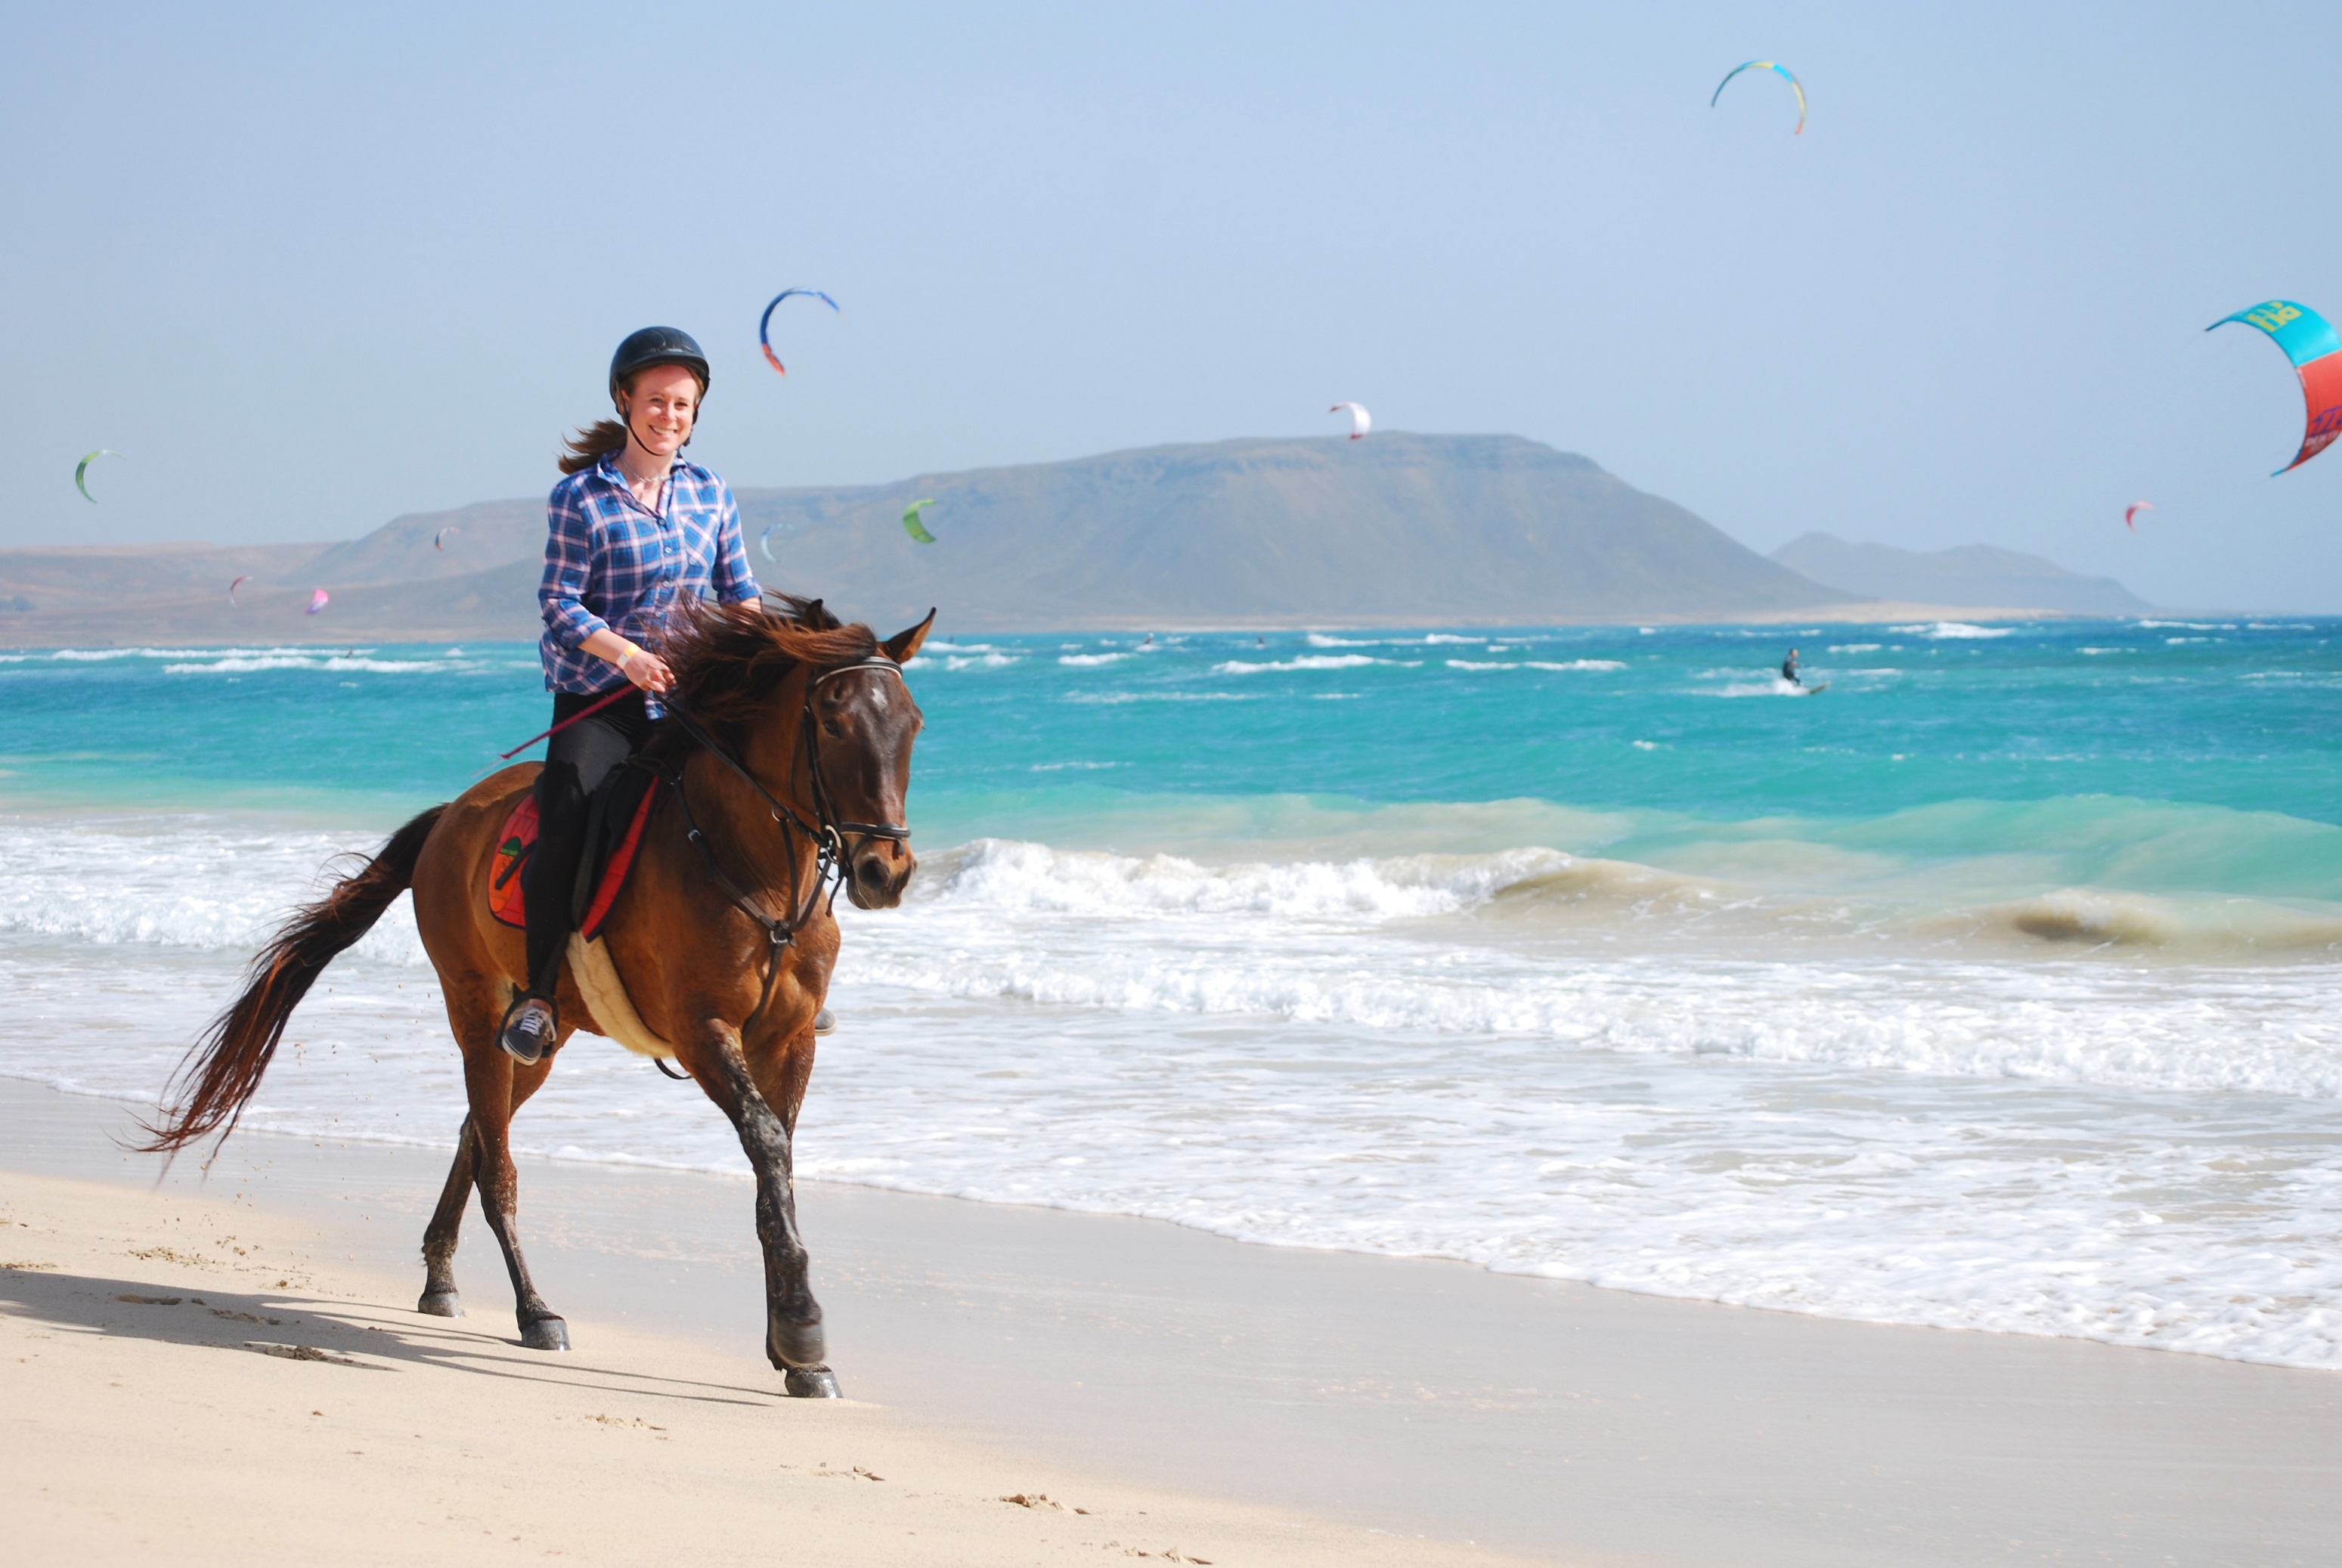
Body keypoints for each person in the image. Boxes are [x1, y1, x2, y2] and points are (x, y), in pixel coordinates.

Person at [500, 326, 762, 1064]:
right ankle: (540, 996)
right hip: (599, 699)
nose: (668, 415)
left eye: (681, 404)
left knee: (768, 792)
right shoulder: (580, 498)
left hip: (687, 700)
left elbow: (739, 596)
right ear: (624, 401)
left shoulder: (711, 493)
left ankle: (782, 966)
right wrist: (629, 657)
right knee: (568, 815)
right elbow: (559, 603)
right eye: (655, 401)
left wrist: (752, 656)